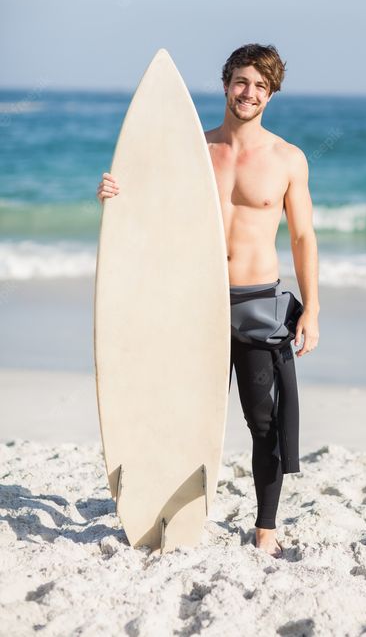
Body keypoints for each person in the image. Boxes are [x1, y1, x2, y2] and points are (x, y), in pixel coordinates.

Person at [97, 43, 320, 558]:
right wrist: (113, 194)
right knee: (181, 412)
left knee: (262, 419)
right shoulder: (193, 153)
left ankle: (265, 525)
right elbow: (148, 213)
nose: (249, 93)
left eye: (261, 86)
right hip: (191, 301)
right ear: (225, 85)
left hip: (257, 302)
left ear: (272, 94)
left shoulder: (287, 159)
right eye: (242, 82)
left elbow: (304, 236)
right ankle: (168, 513)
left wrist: (312, 307)